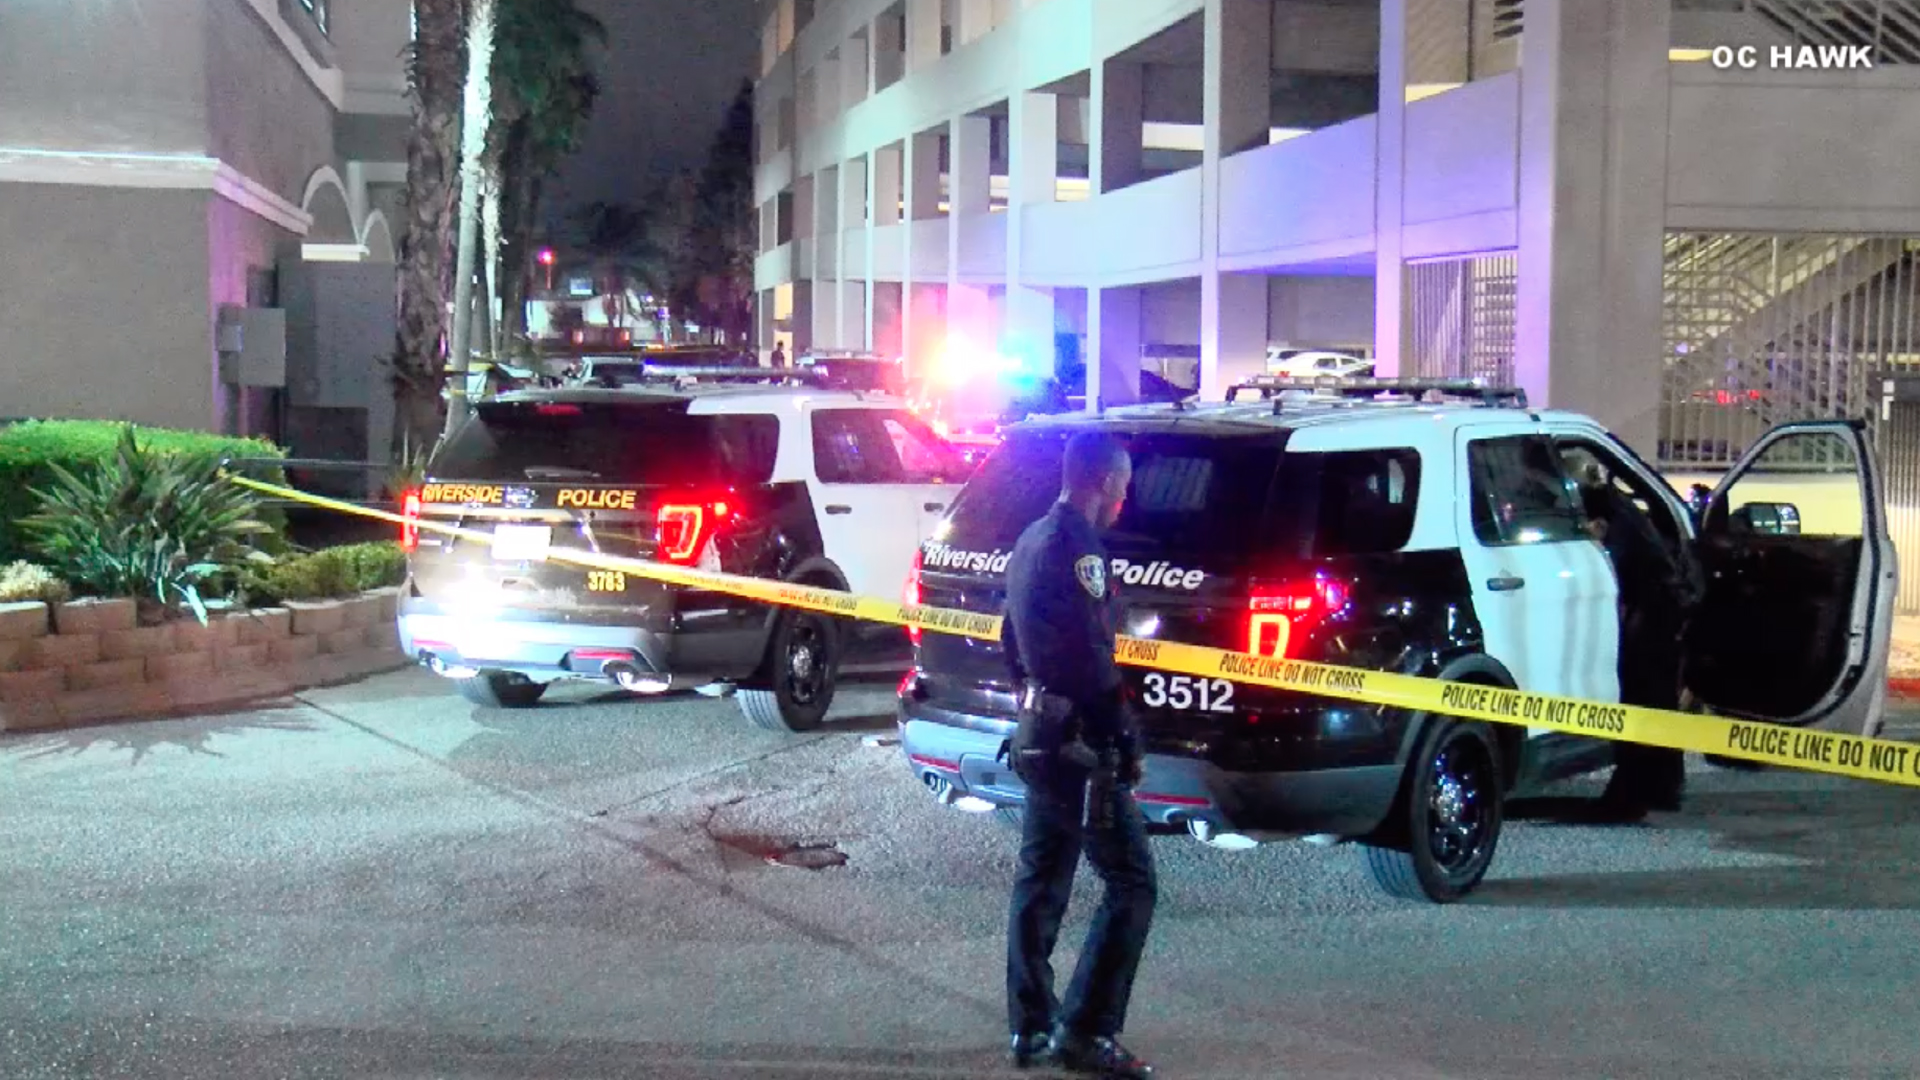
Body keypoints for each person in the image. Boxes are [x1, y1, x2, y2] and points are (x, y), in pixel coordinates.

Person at [999, 431, 1157, 1079]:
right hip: (1077, 744)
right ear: (1102, 481)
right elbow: (1095, 659)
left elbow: (1009, 634)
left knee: (1043, 878)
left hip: (1036, 733)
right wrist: (1123, 736)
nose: (1125, 497)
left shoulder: (1031, 538)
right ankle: (1088, 1031)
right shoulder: (1079, 549)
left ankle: (1029, 1025)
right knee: (1133, 883)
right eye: (1122, 484)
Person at [1569, 453, 1695, 820]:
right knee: (1658, 702)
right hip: (1662, 605)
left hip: (1654, 608)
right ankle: (1664, 787)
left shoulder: (1612, 516)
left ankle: (1631, 796)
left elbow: (1612, 565)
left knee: (1640, 700)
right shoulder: (1620, 507)